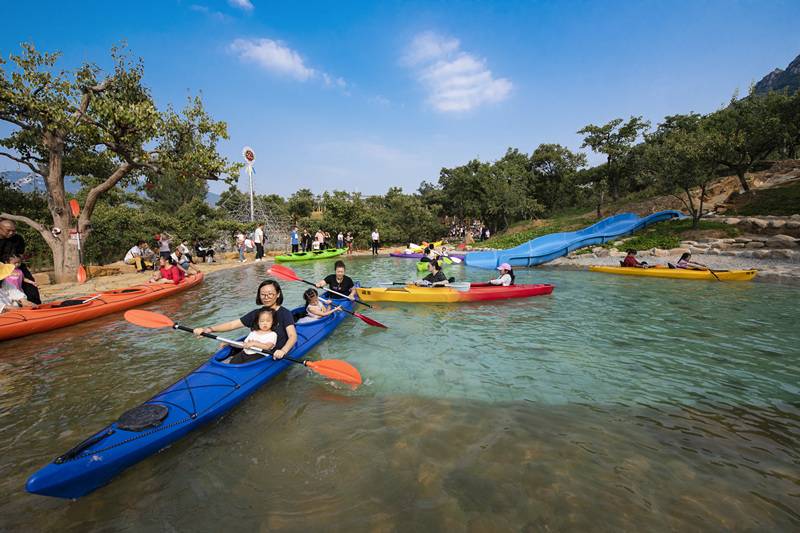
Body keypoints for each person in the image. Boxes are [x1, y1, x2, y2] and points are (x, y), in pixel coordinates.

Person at [193, 280, 297, 360]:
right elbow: (232, 325)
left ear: (278, 294)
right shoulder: (256, 313)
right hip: (251, 351)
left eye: (270, 294)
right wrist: (209, 329)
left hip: (270, 354)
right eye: (263, 294)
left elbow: (292, 336)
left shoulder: (285, 313)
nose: (266, 297)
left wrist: (283, 351)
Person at [0, 218, 41, 304]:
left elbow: (20, 254)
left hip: (17, 265)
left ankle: (35, 305)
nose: (11, 233)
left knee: (31, 287)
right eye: (8, 230)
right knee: (6, 290)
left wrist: (16, 264)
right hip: (2, 268)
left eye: (13, 230)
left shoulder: (18, 239)